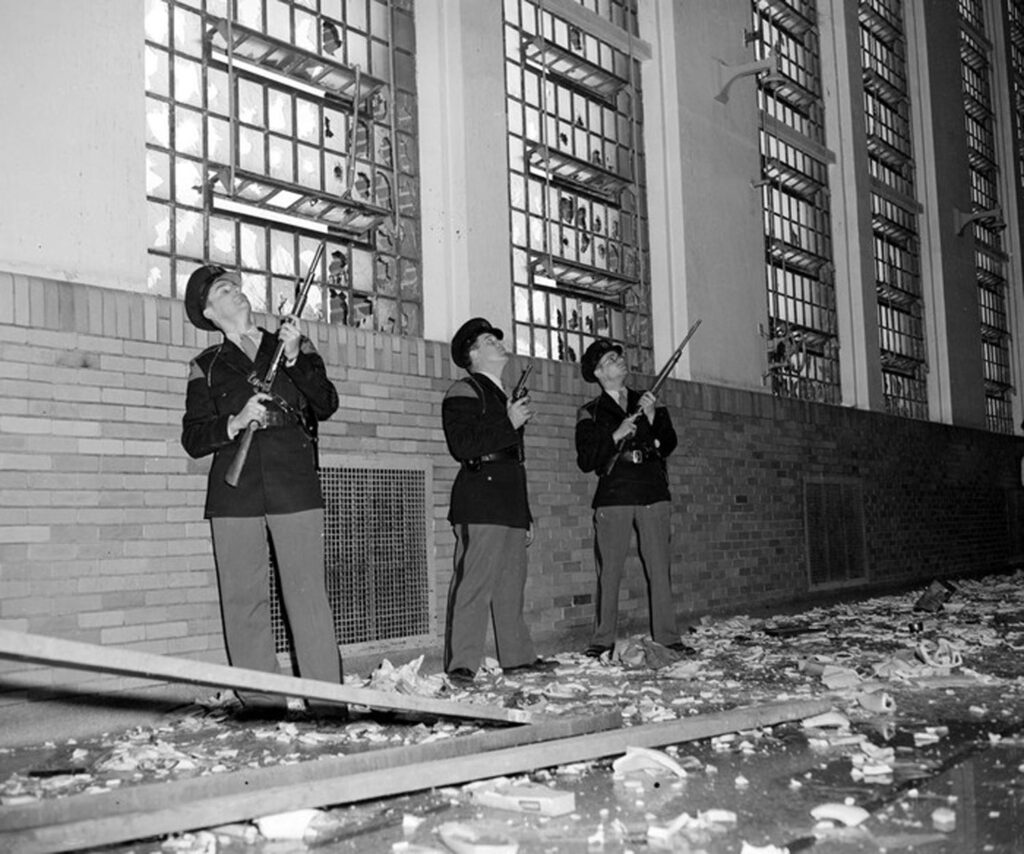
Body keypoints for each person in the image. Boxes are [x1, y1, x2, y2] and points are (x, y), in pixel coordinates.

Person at [180, 264, 345, 720]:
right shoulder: (206, 366)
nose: (235, 291)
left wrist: (293, 357)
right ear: (209, 313)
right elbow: (193, 438)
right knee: (242, 599)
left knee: (307, 592)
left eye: (235, 285)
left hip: (293, 475)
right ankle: (262, 707)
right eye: (221, 290)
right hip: (236, 487)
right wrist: (234, 422)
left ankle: (329, 705)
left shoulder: (290, 342)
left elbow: (326, 403)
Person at [441, 317, 557, 687]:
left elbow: (514, 460)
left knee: (511, 585)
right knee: (473, 583)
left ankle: (518, 658)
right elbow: (462, 446)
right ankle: (462, 665)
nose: (499, 344)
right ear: (473, 353)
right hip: (480, 496)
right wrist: (508, 420)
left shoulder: (503, 394)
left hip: (508, 499)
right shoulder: (463, 389)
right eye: (490, 340)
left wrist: (525, 514)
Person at [574, 339, 694, 659]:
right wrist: (615, 435)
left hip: (652, 489)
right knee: (609, 570)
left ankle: (668, 638)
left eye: (620, 357)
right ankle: (602, 641)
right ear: (599, 372)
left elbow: (668, 443)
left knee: (659, 567)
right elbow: (586, 460)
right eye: (613, 359)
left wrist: (652, 416)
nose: (621, 362)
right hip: (614, 492)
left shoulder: (648, 399)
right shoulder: (590, 412)